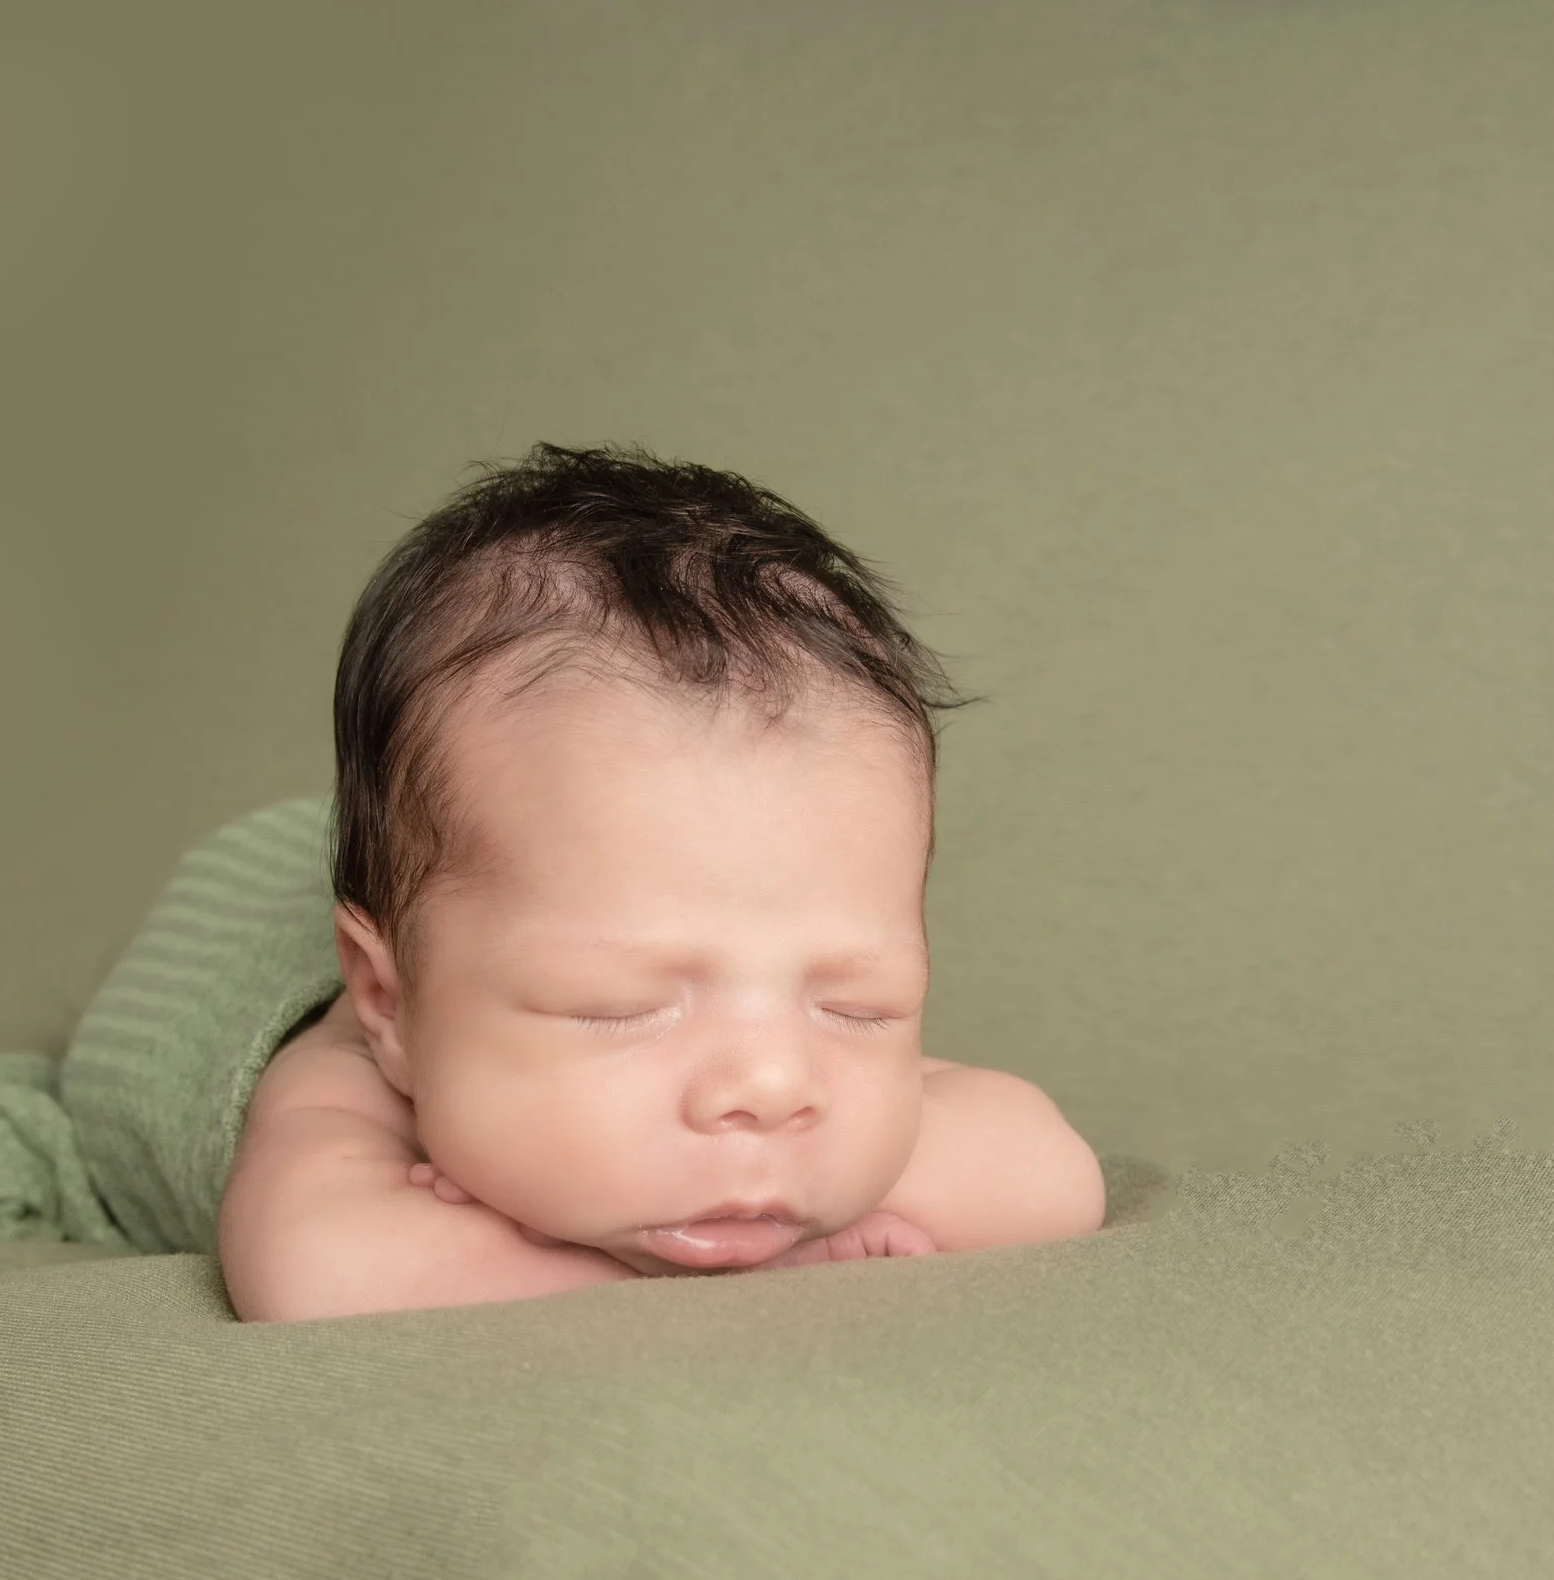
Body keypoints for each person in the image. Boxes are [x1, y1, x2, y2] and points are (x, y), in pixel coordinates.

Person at [218, 442, 1105, 1322]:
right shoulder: (340, 1075)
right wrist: (783, 1273)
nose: (769, 1085)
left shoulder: (778, 1058)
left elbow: (1050, 1176)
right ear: (388, 1004)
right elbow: (320, 1274)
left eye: (857, 1007)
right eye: (619, 1006)